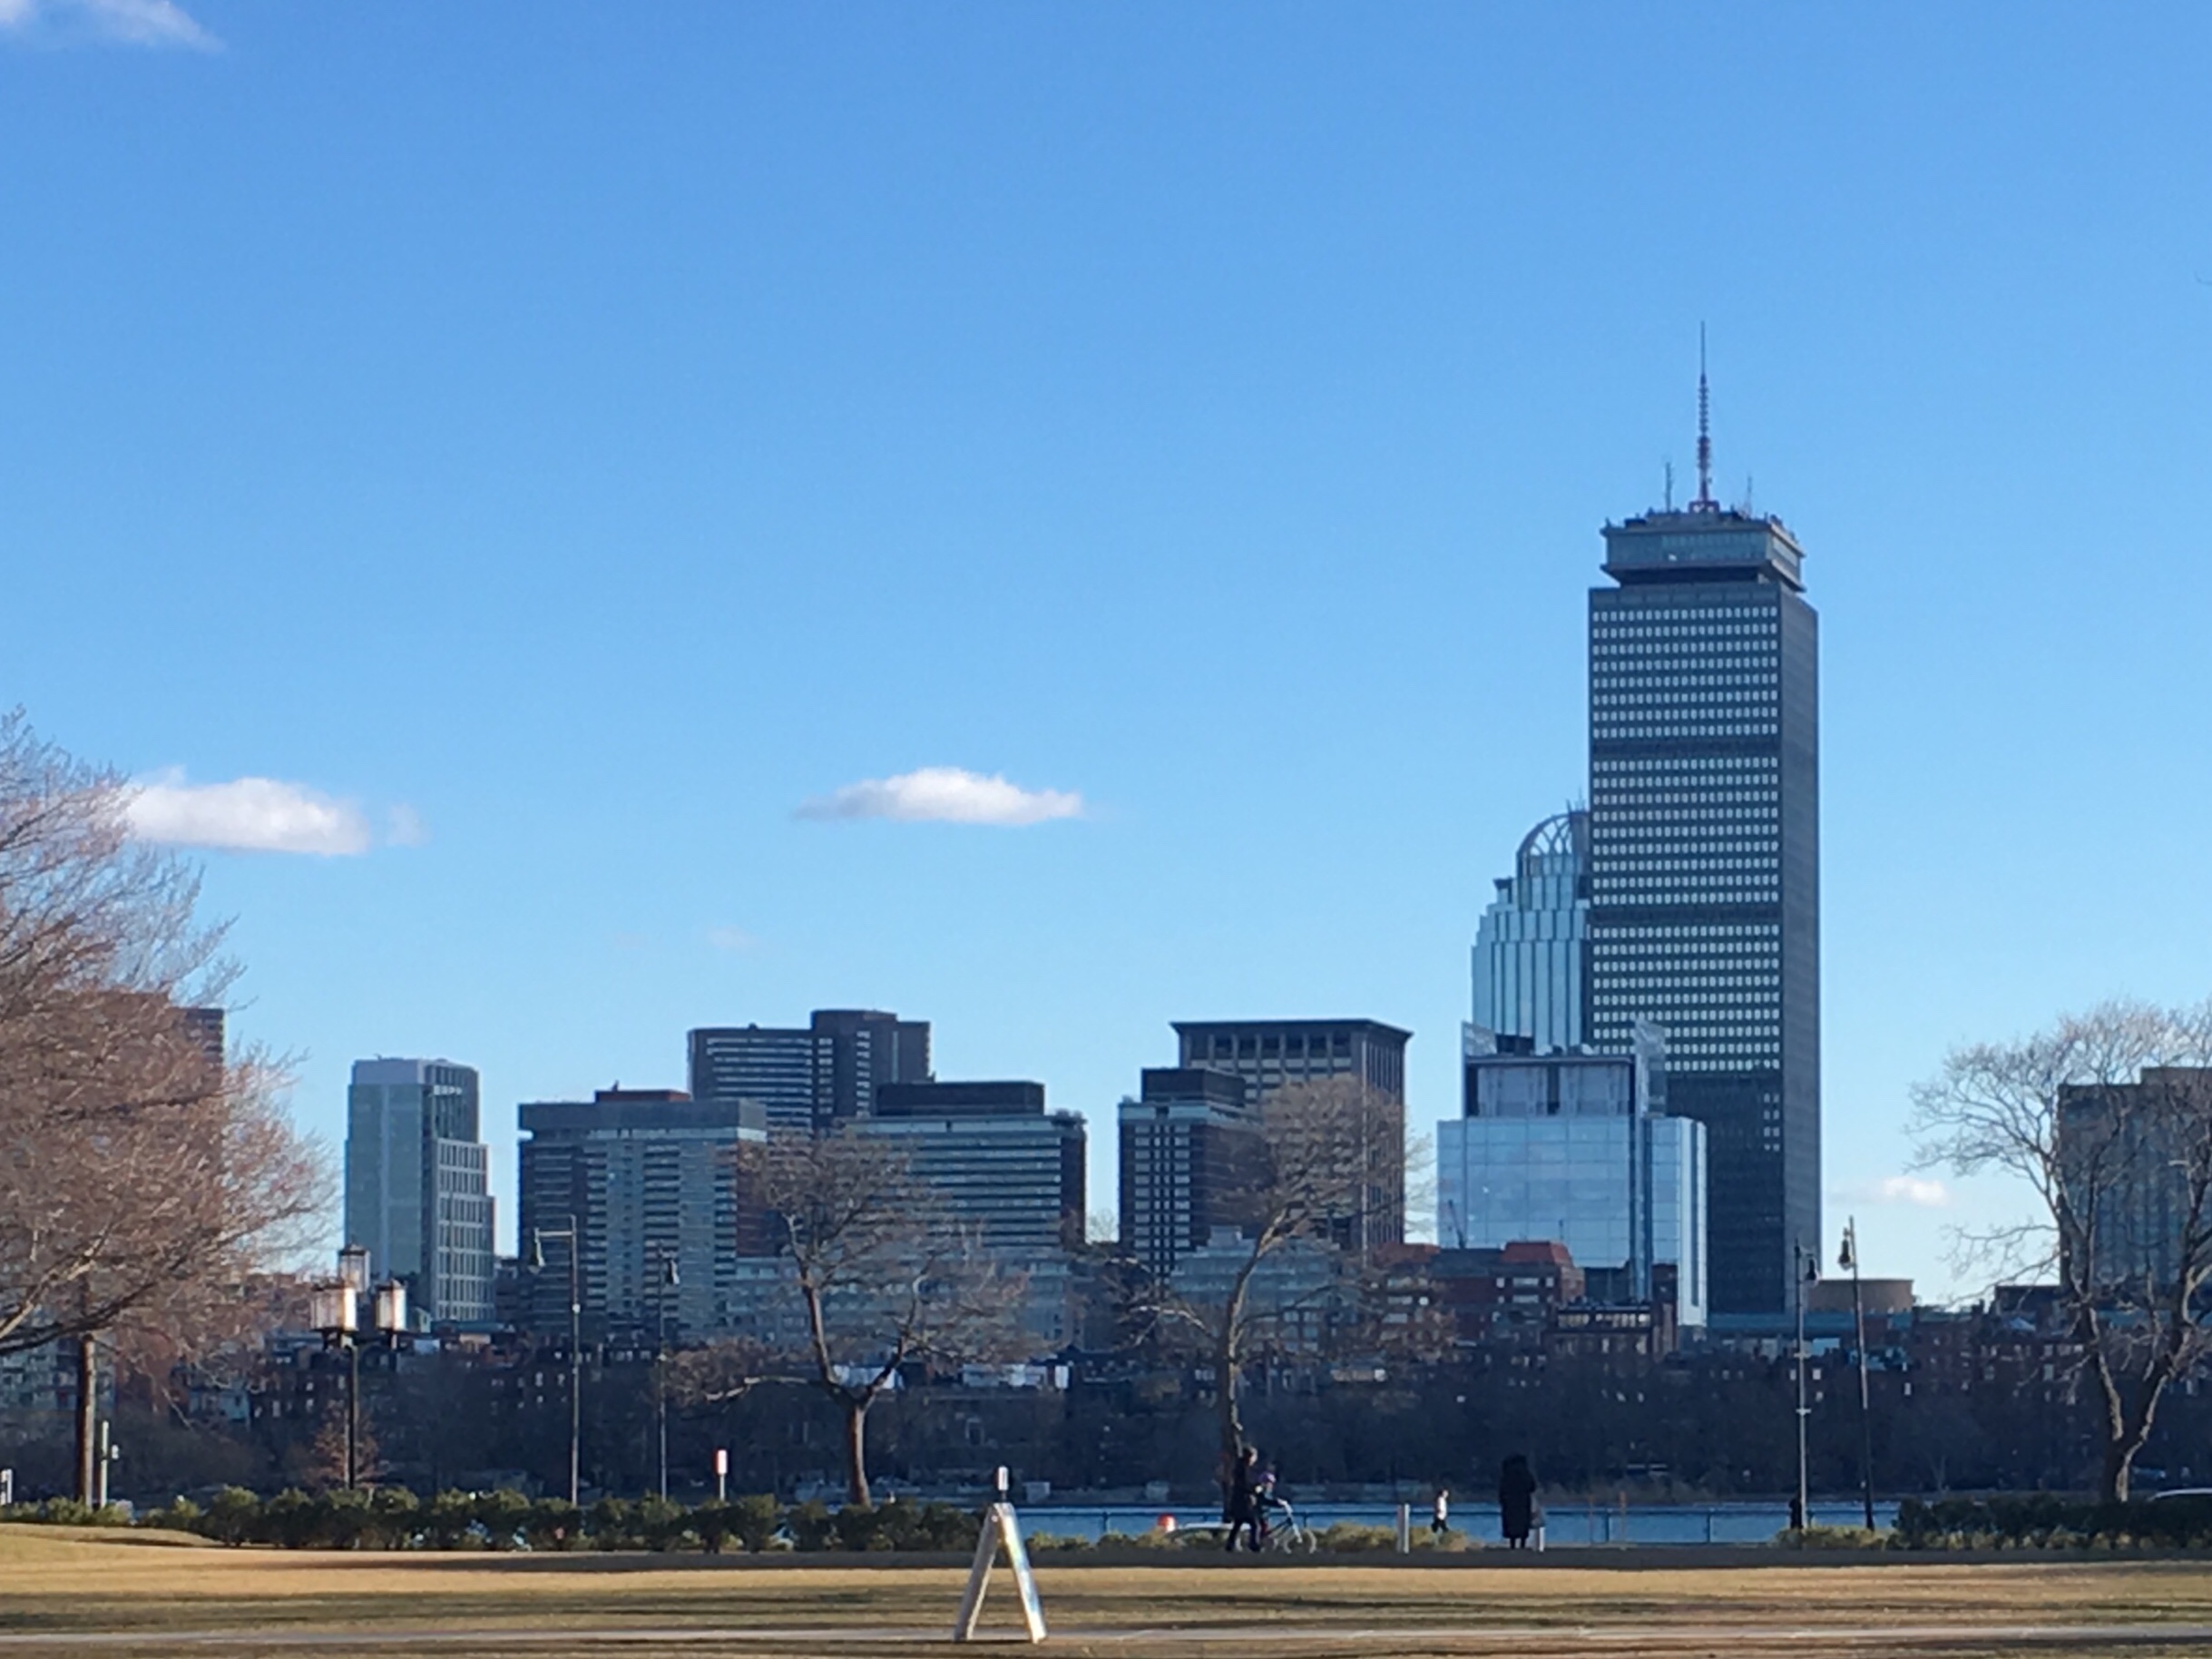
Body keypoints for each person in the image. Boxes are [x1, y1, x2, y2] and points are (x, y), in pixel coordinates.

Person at [1222, 1445, 1263, 1553]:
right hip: (1244, 1502)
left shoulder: (1238, 1467)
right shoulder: (1244, 1469)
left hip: (1237, 1502)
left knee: (1237, 1524)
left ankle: (1229, 1546)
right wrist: (1255, 1488)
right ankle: (1254, 1546)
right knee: (1255, 1524)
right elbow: (1244, 1485)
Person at [1498, 1455, 1538, 1550]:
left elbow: (1502, 1488)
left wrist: (1502, 1499)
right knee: (1523, 1522)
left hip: (1509, 1502)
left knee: (1511, 1522)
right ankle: (1522, 1544)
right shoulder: (1525, 1473)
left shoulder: (1506, 1473)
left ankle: (1512, 1544)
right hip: (1523, 1501)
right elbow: (1532, 1487)